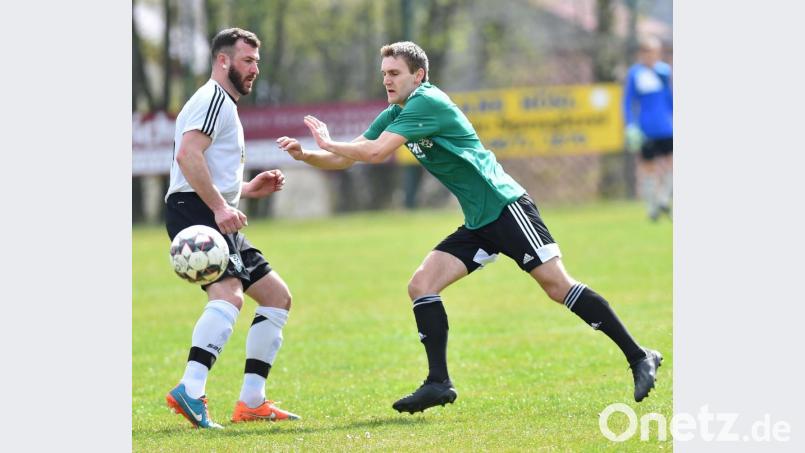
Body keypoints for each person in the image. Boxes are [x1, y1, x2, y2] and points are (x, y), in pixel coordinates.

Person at [278, 41, 663, 414]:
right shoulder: (396, 112)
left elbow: (375, 153)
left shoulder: (427, 102)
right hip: (479, 221)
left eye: (395, 73)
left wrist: (328, 142)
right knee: (421, 285)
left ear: (419, 75)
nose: (387, 80)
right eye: (384, 74)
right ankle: (438, 383)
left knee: (557, 287)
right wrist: (307, 154)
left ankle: (639, 355)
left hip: (507, 207)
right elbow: (350, 158)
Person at [164, 28, 300, 429]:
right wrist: (222, 206)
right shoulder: (212, 99)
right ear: (223, 61)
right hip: (196, 212)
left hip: (208, 208)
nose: (255, 69)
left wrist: (245, 190)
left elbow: (204, 168)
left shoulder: (224, 104)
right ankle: (190, 388)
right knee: (230, 296)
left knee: (276, 296)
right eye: (247, 61)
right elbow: (188, 156)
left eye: (257, 61)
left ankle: (252, 402)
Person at [623, 35, 673, 222]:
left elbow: (670, 98)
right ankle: (652, 207)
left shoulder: (665, 72)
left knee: (671, 165)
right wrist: (630, 125)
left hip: (666, 128)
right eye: (647, 52)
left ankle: (663, 198)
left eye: (654, 51)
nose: (650, 56)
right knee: (648, 169)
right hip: (646, 129)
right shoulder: (635, 74)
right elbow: (628, 101)